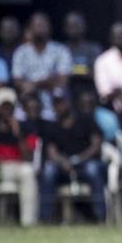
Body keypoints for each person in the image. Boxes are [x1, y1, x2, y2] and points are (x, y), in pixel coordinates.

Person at [39, 89, 105, 222]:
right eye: (56, 103)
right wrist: (62, 161)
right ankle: (46, 218)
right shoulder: (51, 126)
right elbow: (51, 151)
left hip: (85, 162)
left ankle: (100, 216)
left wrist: (78, 159)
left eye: (61, 102)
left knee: (93, 169)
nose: (59, 106)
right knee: (48, 172)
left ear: (69, 103)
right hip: (62, 166)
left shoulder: (85, 119)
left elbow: (96, 145)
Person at [0, 87, 39, 226]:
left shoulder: (26, 127)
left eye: (9, 106)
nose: (6, 110)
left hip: (16, 167)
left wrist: (18, 134)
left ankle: (28, 222)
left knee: (28, 172)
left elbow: (29, 157)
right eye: (3, 106)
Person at [11, 12, 73, 119]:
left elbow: (62, 80)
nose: (40, 28)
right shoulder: (21, 52)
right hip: (27, 103)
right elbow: (17, 81)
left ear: (49, 28)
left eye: (43, 25)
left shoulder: (61, 50)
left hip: (53, 103)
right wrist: (49, 81)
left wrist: (34, 85)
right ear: (30, 28)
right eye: (37, 25)